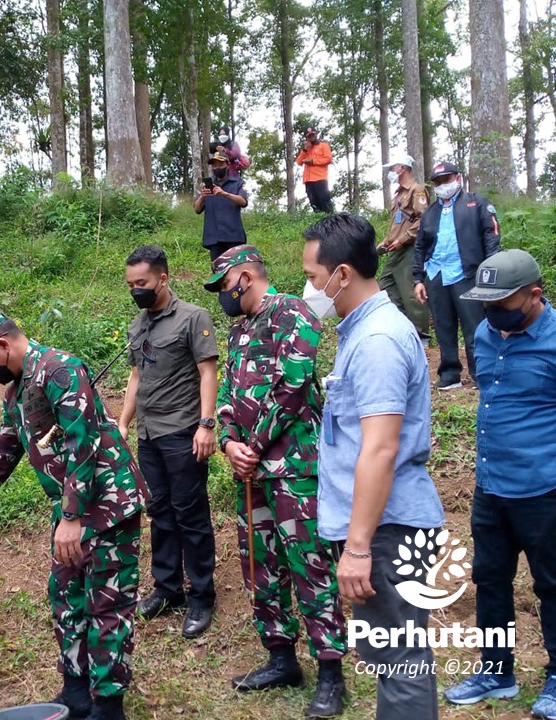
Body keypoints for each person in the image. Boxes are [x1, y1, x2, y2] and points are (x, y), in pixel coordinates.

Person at [0, 306, 148, 720]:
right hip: (69, 509)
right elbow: (5, 449)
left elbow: (83, 444)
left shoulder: (60, 370)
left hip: (106, 505)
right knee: (66, 597)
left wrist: (72, 518)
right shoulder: (16, 390)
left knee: (106, 603)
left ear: (1, 345)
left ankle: (108, 706)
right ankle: (76, 691)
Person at [301, 214, 445, 720]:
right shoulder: (361, 333)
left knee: (401, 661)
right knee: (391, 658)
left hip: (386, 532)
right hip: (379, 526)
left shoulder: (378, 341)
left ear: (342, 274)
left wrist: (358, 549)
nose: (311, 289)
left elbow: (380, 450)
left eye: (314, 278)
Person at [206, 245, 347, 717]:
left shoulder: (293, 313)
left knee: (309, 565)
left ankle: (330, 672)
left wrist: (256, 446)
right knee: (259, 565)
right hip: (252, 472)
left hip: (293, 469)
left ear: (246, 276)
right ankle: (281, 657)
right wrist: (229, 443)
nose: (223, 297)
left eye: (225, 286)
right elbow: (227, 393)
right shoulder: (238, 331)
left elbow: (294, 385)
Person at [444, 250, 556, 719]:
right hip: (491, 486)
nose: (492, 311)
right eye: (485, 302)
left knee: (551, 584)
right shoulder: (485, 334)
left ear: (535, 294)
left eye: (502, 301)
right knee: (490, 580)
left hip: (544, 489)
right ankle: (496, 669)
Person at [118, 245, 218, 639]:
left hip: (182, 430)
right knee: (159, 512)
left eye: (141, 283)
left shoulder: (193, 318)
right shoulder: (137, 325)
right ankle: (167, 588)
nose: (136, 290)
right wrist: (124, 423)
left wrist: (206, 424)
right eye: (130, 284)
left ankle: (201, 594)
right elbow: (136, 379)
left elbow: (207, 372)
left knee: (189, 513)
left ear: (162, 278)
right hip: (149, 435)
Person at [413, 161, 500, 390]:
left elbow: (491, 235)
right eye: (438, 182)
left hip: (467, 273)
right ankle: (450, 374)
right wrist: (418, 279)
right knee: (444, 327)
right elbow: (420, 247)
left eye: (447, 179)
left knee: (475, 327)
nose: (443, 185)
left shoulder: (476, 203)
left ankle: (480, 374)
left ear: (457, 178)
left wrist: (489, 271)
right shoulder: (430, 213)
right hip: (436, 275)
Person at [377, 153, 431, 339]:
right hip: (396, 249)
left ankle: (421, 335)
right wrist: (387, 241)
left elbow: (424, 219)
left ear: (403, 168)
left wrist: (403, 239)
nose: (391, 171)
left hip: (410, 248)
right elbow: (398, 223)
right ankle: (403, 326)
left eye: (393, 167)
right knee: (385, 284)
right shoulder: (399, 193)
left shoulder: (417, 190)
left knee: (411, 291)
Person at [195, 150, 249, 260]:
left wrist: (224, 194)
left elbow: (243, 201)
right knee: (218, 273)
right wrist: (202, 196)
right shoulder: (206, 186)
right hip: (214, 237)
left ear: (227, 165)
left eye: (220, 164)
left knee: (235, 271)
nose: (217, 168)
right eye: (214, 165)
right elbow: (197, 209)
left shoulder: (239, 183)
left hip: (234, 236)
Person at [295, 127, 334, 213]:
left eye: (312, 134)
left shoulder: (324, 146)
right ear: (307, 137)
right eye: (309, 136)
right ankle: (318, 221)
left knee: (325, 202)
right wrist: (305, 149)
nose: (311, 137)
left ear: (316, 134)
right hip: (308, 180)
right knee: (314, 203)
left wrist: (313, 161)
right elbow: (298, 162)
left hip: (320, 179)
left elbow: (328, 159)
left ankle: (331, 221)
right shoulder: (307, 149)